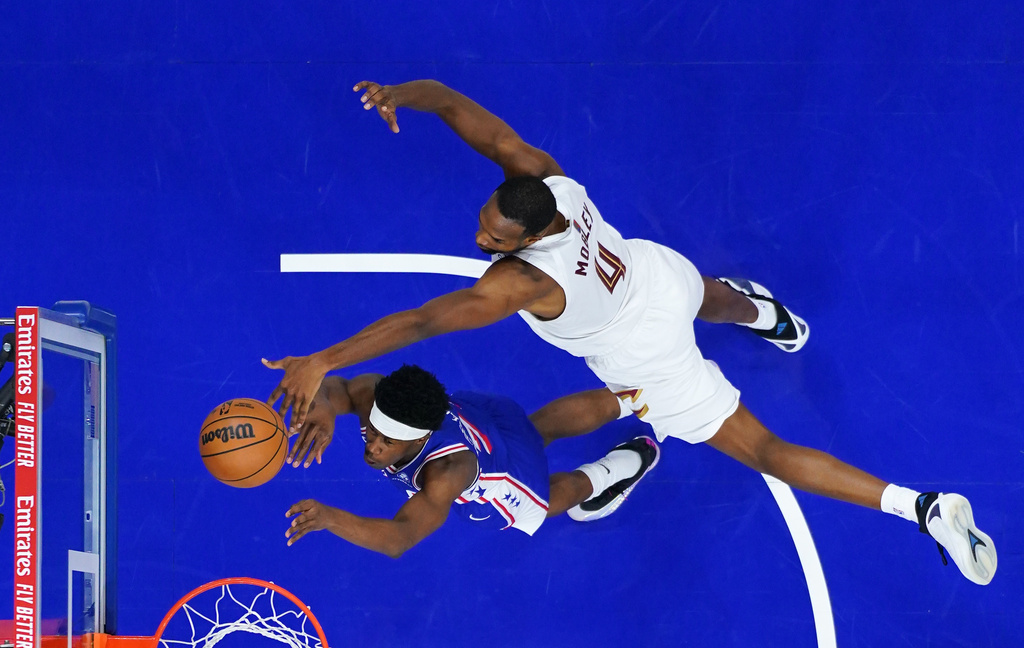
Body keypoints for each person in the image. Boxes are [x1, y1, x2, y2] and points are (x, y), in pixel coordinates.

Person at [266, 79, 996, 585]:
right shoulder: (545, 180)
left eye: (493, 235)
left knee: (764, 449)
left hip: (641, 347)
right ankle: (767, 314)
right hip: (647, 270)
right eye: (485, 225)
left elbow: (424, 320)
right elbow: (463, 110)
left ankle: (921, 506)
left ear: (530, 234)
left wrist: (322, 358)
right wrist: (407, 98)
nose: (481, 237)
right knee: (708, 296)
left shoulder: (520, 282)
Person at [284, 364, 660, 556]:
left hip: (496, 478)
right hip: (482, 419)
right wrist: (325, 408)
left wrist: (329, 517)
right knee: (533, 431)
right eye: (374, 432)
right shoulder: (375, 394)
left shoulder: (444, 474)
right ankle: (644, 390)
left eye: (388, 440)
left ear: (419, 437)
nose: (374, 447)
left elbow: (399, 538)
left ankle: (615, 469)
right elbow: (339, 389)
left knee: (543, 502)